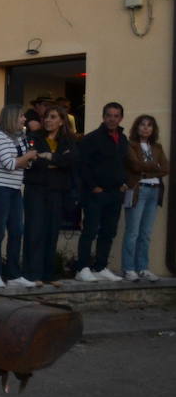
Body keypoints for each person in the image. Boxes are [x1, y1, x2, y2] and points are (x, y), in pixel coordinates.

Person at [0, 104, 39, 288]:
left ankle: (14, 274)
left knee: (17, 231)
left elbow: (26, 164)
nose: (24, 120)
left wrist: (25, 159)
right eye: (21, 116)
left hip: (14, 188)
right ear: (11, 118)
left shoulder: (20, 137)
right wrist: (28, 156)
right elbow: (9, 163)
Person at [74, 102, 128, 282]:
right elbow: (83, 166)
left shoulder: (123, 138)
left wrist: (124, 183)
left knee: (109, 231)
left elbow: (125, 163)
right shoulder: (92, 138)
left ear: (120, 118)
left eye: (116, 115)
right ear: (103, 117)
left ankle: (100, 266)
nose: (112, 119)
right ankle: (82, 268)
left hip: (115, 193)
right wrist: (94, 187)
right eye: (109, 115)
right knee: (90, 231)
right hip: (96, 193)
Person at [22, 105, 76, 284]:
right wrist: (54, 161)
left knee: (52, 232)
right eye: (46, 117)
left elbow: (70, 161)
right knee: (35, 231)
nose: (48, 120)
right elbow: (33, 161)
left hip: (56, 191)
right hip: (36, 189)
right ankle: (32, 274)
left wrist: (50, 157)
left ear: (61, 121)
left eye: (53, 117)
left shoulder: (68, 140)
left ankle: (48, 274)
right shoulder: (34, 137)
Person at [121, 114, 167, 281]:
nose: (146, 128)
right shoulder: (130, 145)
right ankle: (128, 268)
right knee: (132, 231)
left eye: (149, 125)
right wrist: (154, 167)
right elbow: (134, 165)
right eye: (142, 125)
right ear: (137, 127)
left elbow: (166, 168)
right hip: (137, 190)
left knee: (146, 232)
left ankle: (143, 267)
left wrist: (146, 170)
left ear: (153, 129)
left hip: (154, 191)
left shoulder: (158, 147)